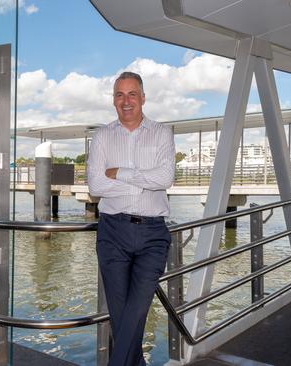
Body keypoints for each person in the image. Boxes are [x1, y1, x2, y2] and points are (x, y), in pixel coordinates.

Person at [87, 71, 176, 366]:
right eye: (119, 95)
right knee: (121, 317)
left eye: (132, 94)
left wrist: (120, 173)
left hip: (153, 235)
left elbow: (165, 179)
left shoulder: (162, 133)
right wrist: (143, 180)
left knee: (135, 314)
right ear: (113, 99)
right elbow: (97, 187)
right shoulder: (102, 136)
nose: (126, 101)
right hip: (113, 234)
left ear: (143, 98)